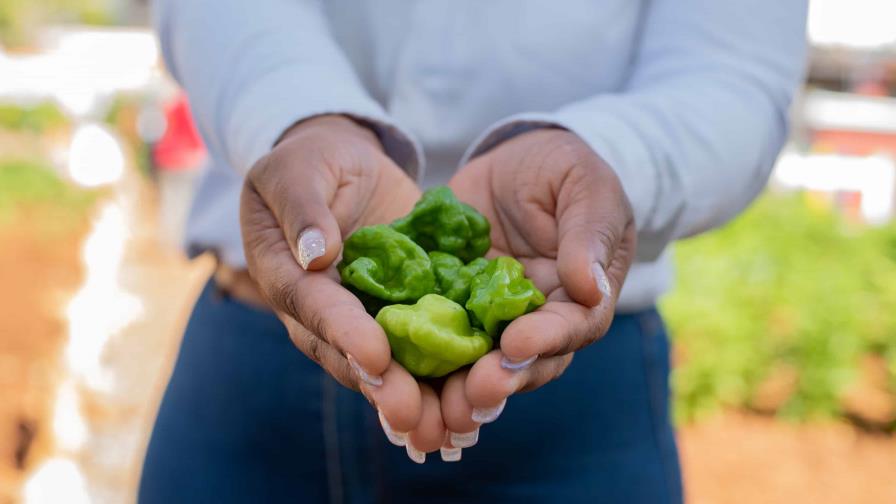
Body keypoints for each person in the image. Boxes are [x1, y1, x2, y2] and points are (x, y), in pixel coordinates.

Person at [139, 1, 808, 503]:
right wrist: (297, 117)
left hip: (573, 408)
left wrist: (609, 159)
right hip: (249, 380)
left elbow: (735, 71)